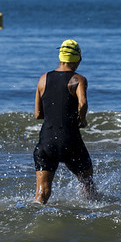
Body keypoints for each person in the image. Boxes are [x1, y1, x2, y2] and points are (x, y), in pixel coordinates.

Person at [33, 39, 97, 204]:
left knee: (42, 194)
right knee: (88, 185)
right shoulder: (78, 80)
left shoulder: (43, 79)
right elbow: (82, 104)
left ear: (60, 57)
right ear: (78, 60)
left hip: (46, 143)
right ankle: (92, 217)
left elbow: (38, 114)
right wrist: (82, 120)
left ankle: (31, 217)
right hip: (70, 141)